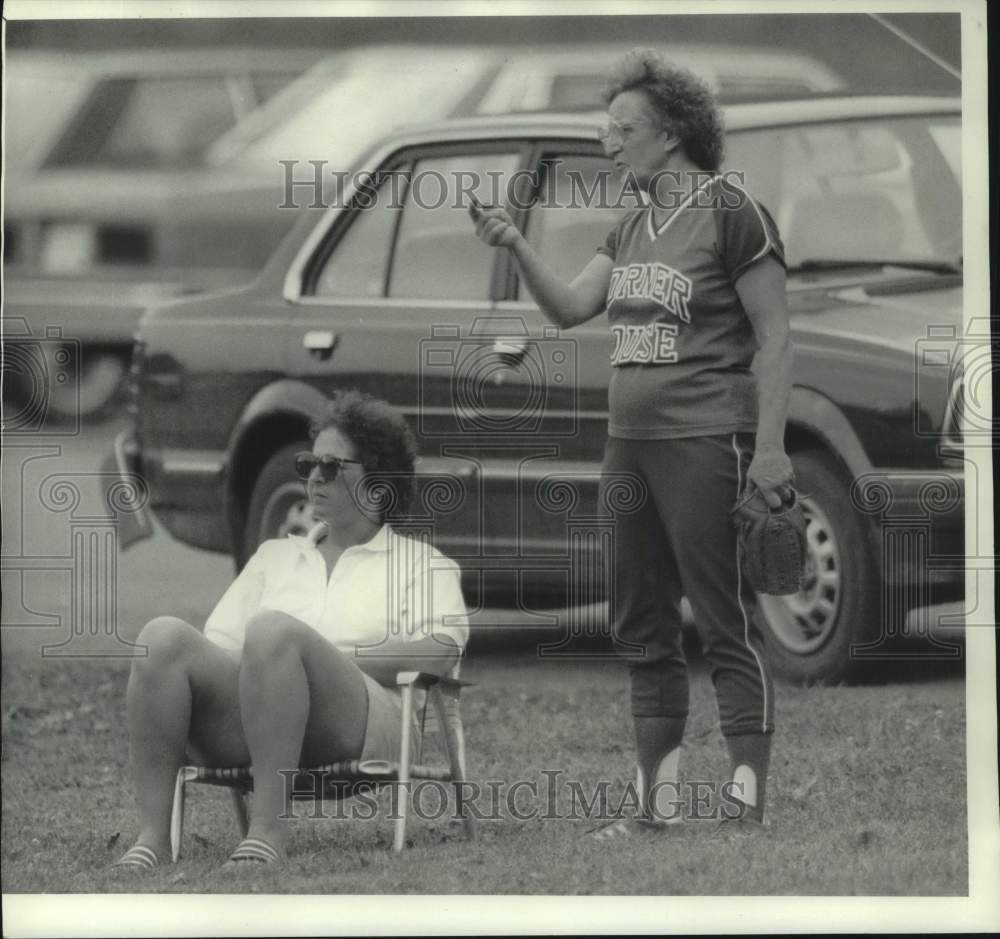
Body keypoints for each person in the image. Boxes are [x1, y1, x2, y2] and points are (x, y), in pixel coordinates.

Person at [470, 49, 793, 833]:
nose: (609, 142)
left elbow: (776, 337)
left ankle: (744, 804)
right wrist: (515, 243)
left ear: (674, 132)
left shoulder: (732, 212)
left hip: (706, 439)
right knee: (643, 622)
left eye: (624, 128)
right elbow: (571, 308)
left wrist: (774, 448)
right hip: (630, 444)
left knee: (724, 620)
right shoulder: (633, 220)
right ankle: (658, 807)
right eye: (606, 128)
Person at [113, 390, 468, 870]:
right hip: (259, 723)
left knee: (274, 632)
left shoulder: (422, 564)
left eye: (331, 465)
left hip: (365, 724)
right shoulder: (275, 557)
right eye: (308, 464)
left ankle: (266, 835)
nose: (314, 477)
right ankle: (153, 839)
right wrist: (281, 664)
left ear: (378, 481)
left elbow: (439, 653)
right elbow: (219, 650)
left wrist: (322, 659)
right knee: (163, 638)